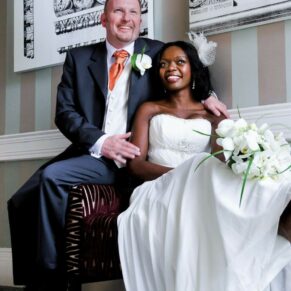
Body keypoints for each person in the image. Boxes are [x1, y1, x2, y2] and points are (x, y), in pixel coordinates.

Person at [7, 1, 228, 290]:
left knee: (52, 178)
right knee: (21, 198)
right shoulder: (79, 57)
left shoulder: (154, 51)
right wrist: (102, 142)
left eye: (133, 12)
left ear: (140, 19)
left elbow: (186, 67)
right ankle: (35, 277)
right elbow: (65, 113)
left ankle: (53, 278)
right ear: (104, 18)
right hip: (96, 154)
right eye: (118, 11)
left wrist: (209, 94)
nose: (127, 19)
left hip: (137, 157)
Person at [117, 41, 291, 291]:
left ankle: (278, 214)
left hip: (201, 188)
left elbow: (222, 166)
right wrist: (184, 175)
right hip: (157, 190)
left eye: (179, 62)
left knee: (227, 174)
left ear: (193, 69)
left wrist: (195, 176)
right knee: (202, 165)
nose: (170, 68)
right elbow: (135, 165)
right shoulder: (149, 109)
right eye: (164, 64)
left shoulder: (213, 114)